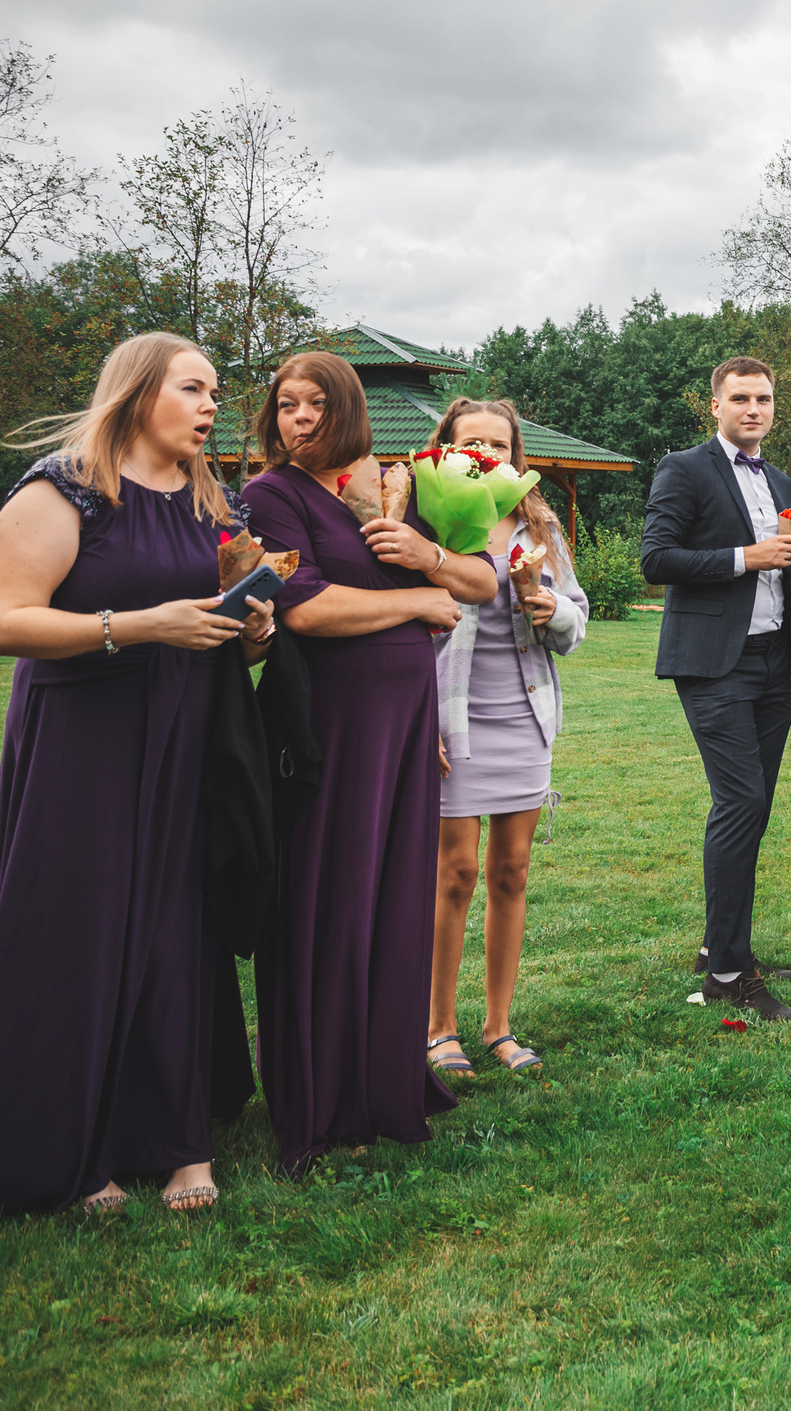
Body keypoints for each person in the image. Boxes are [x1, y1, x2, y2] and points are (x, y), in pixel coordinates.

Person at [0, 334, 274, 1220]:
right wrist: (143, 624)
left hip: (184, 734)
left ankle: (180, 1138)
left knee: (175, 930)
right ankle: (82, 1145)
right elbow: (3, 624)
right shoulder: (59, 490)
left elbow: (205, 609)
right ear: (138, 391)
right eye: (193, 389)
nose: (210, 406)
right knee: (80, 925)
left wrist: (250, 628)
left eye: (214, 392)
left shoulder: (204, 497)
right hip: (84, 737)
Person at [242, 350, 494, 1172]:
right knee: (332, 896)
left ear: (346, 409)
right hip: (334, 726)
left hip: (405, 719)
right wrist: (421, 602)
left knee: (393, 896)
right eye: (287, 404)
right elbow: (303, 605)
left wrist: (429, 562)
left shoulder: (388, 486)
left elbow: (478, 578)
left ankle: (383, 1082)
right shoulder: (270, 496)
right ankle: (320, 1096)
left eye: (316, 403)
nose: (300, 417)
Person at [640, 356, 791, 1022]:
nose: (754, 408)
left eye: (765, 398)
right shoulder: (683, 469)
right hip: (714, 662)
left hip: (775, 662)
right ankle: (726, 973)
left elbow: (777, 566)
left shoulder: (780, 479)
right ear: (715, 405)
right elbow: (656, 557)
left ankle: (727, 943)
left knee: (756, 806)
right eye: (741, 397)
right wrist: (748, 556)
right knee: (740, 799)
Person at [426, 400, 591, 1079]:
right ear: (448, 449)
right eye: (474, 442)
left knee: (512, 869)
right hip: (450, 718)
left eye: (499, 442)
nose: (487, 451)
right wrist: (416, 720)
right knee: (455, 871)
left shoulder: (538, 522)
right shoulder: (427, 520)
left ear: (515, 454)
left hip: (524, 716)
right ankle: (438, 1027)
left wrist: (554, 610)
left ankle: (498, 1025)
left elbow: (576, 619)